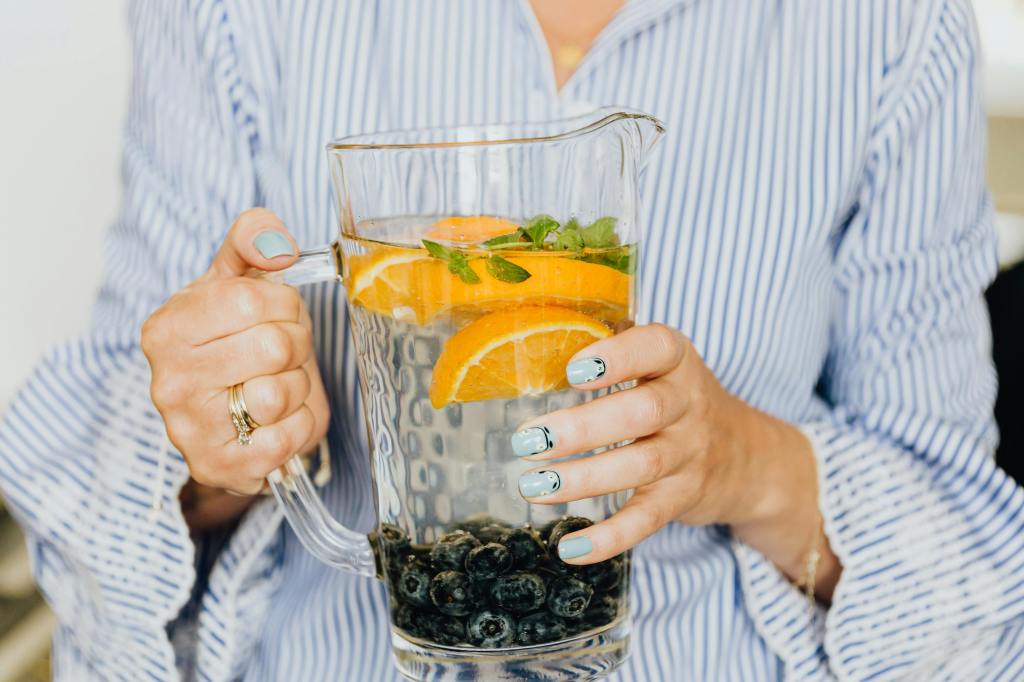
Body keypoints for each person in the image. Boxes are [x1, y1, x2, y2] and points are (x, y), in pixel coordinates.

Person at [2, 0, 1023, 679]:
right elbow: (98, 493)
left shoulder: (891, 24)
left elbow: (972, 574)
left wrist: (739, 463)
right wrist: (215, 442)